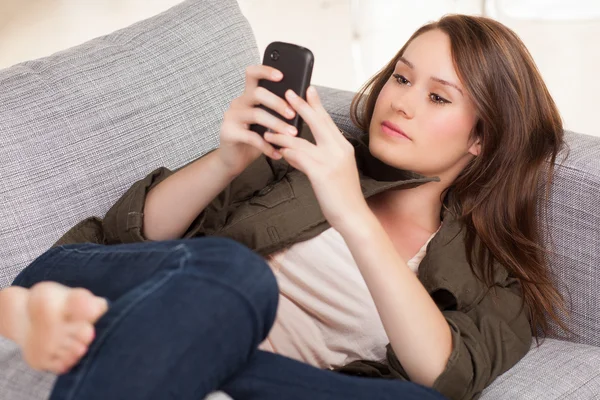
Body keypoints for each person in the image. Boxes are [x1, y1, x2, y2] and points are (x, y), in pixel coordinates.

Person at [0, 14, 571, 400]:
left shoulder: (495, 281)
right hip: (123, 282)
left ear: (483, 139)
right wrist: (227, 159)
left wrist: (351, 212)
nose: (400, 101)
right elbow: (128, 237)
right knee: (237, 276)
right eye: (401, 76)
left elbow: (445, 375)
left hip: (239, 370)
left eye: (438, 96)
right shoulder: (295, 155)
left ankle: (114, 340)